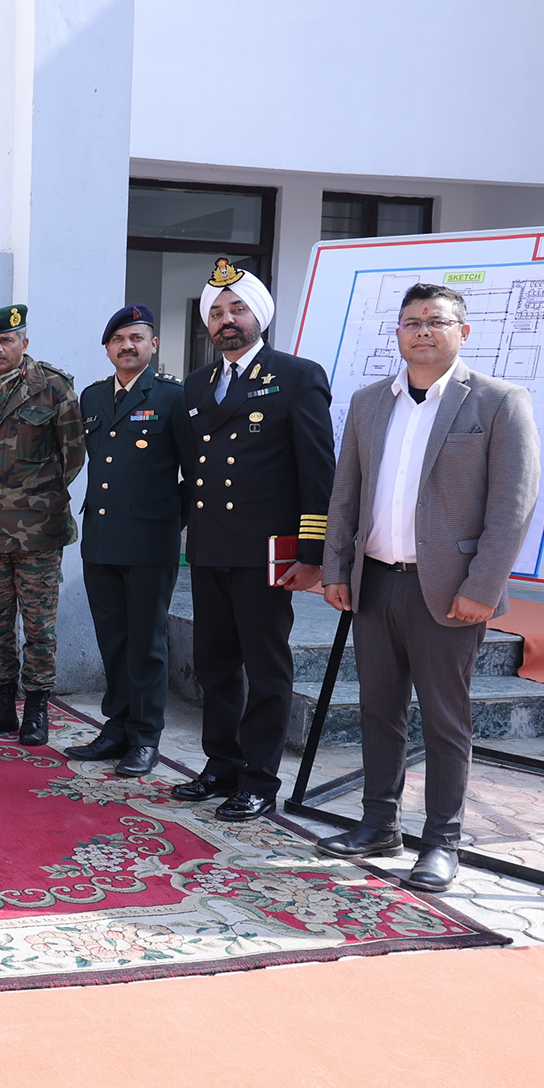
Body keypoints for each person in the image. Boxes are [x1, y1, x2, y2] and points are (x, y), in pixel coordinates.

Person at [319, 283, 541, 892]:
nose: (422, 330)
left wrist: (483, 587)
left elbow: (512, 505)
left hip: (448, 592)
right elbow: (347, 495)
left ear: (462, 332)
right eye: (411, 321)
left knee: (446, 720)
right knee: (377, 712)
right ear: (397, 332)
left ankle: (442, 842)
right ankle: (378, 823)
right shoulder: (369, 402)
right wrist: (336, 568)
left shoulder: (497, 401)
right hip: (376, 582)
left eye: (436, 321)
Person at [173, 259, 334, 821]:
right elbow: (192, 469)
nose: (227, 320)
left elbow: (319, 474)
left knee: (265, 667)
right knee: (213, 662)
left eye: (237, 308)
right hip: (211, 545)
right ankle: (221, 764)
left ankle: (260, 779)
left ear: (259, 315)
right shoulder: (196, 385)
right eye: (216, 312)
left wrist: (311, 556)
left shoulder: (297, 375)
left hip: (267, 551)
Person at [62, 305, 191, 779]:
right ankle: (115, 727)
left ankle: (145, 736)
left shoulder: (174, 397)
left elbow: (194, 473)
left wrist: (166, 518)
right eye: (119, 339)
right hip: (101, 537)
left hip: (150, 541)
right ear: (108, 349)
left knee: (147, 643)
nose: (128, 346)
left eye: (137, 337)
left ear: (153, 345)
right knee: (112, 640)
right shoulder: (93, 398)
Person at [0, 305, 85, 747]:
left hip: (38, 532)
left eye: (6, 341)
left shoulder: (53, 387)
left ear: (24, 344)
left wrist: (34, 499)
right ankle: (0, 707)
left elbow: (72, 456)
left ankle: (36, 710)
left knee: (38, 627)